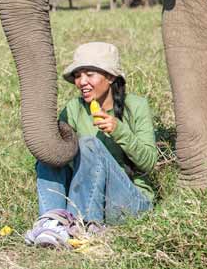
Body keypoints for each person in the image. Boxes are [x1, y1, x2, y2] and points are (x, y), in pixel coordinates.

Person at [24, 42, 157, 248]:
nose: (82, 82)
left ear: (110, 77)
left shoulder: (136, 106)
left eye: (89, 74)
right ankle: (51, 222)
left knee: (88, 143)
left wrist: (119, 130)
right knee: (49, 149)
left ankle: (84, 226)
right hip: (86, 197)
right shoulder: (74, 109)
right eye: (78, 75)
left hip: (129, 202)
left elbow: (148, 163)